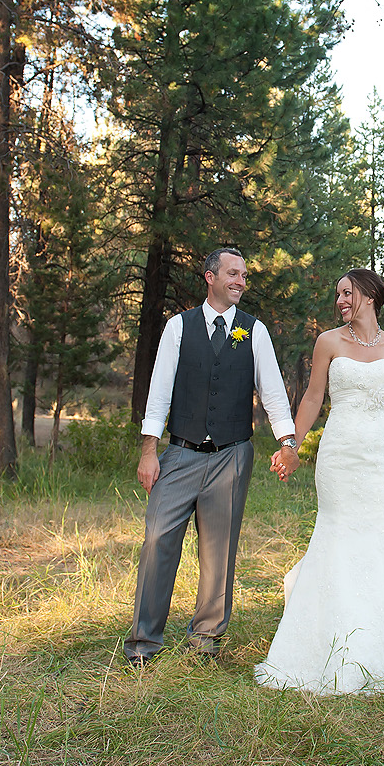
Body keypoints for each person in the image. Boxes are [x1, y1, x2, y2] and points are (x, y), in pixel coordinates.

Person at [255, 268, 384, 696]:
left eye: (347, 293)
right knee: (335, 536)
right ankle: (329, 644)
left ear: (370, 296)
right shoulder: (329, 342)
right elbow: (313, 397)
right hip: (338, 457)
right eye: (338, 294)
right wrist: (292, 446)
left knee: (381, 538)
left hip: (379, 458)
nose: (341, 301)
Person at [124, 248, 298, 666]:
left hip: (231, 456)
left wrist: (288, 442)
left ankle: (205, 639)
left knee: (219, 553)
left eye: (244, 275)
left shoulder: (254, 331)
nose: (240, 281)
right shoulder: (178, 327)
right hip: (180, 453)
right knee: (157, 539)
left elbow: (273, 391)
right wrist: (149, 451)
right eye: (233, 273)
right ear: (210, 277)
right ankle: (144, 643)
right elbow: (159, 391)